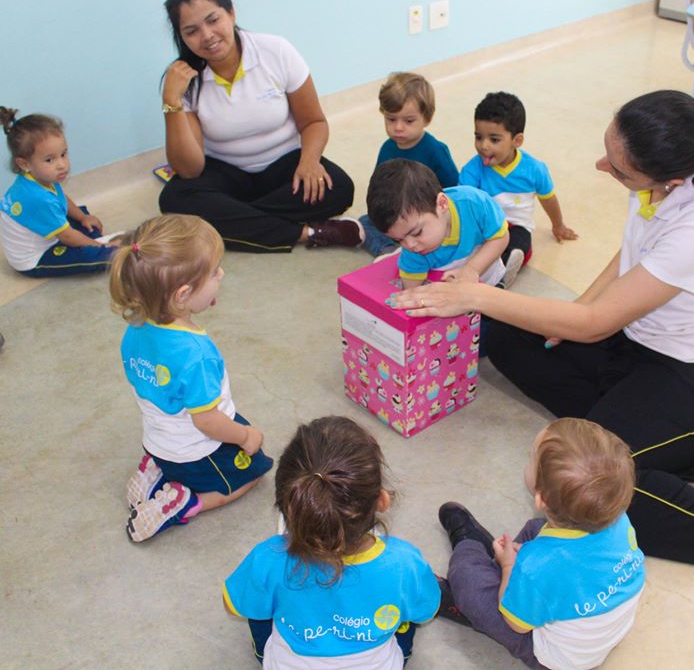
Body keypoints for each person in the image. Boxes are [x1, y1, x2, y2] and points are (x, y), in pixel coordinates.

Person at [386, 91, 694, 635]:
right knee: (510, 332)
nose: (602, 166)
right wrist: (574, 313)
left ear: (670, 178)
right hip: (638, 345)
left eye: (618, 168)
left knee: (590, 486)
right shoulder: (662, 177)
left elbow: (598, 324)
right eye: (608, 151)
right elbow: (630, 259)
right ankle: (612, 416)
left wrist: (484, 297)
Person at [157, 0, 361, 253]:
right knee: (174, 199)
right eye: (192, 30)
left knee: (339, 186)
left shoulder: (275, 51)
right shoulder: (184, 78)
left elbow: (313, 122)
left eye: (213, 19)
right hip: (225, 172)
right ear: (181, 37)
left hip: (286, 165)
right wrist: (171, 102)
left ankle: (230, 222)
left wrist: (310, 160)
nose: (207, 36)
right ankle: (307, 232)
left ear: (231, 12)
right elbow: (190, 169)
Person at [223, 417, 440, 668]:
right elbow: (426, 610)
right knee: (406, 617)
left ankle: (263, 655)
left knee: (256, 601)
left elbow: (232, 606)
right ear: (382, 501)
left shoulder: (269, 557)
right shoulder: (404, 562)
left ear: (288, 508)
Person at [110, 214, 273, 542]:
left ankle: (157, 468)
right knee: (255, 471)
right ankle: (185, 502)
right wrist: (243, 437)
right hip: (197, 451)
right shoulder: (195, 353)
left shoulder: (136, 328)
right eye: (214, 272)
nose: (221, 274)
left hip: (158, 439)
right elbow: (208, 422)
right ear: (182, 295)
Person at [436, 418, 644, 670]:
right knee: (537, 530)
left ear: (541, 499)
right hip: (602, 629)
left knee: (468, 581)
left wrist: (508, 567)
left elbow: (517, 624)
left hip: (556, 659)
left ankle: (468, 552)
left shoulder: (537, 568)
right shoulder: (617, 518)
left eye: (530, 457)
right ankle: (501, 563)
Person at [459, 92, 578, 289]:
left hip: (516, 226)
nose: (483, 146)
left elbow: (548, 199)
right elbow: (465, 207)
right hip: (485, 225)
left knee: (519, 244)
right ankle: (478, 269)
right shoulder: (472, 170)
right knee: (473, 245)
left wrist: (558, 225)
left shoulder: (535, 169)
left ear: (517, 140)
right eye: (478, 137)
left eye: (494, 139)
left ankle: (502, 277)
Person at [0, 108, 121, 277]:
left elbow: (61, 198)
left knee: (80, 212)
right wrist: (98, 246)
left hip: (47, 231)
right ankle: (100, 244)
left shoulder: (36, 177)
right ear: (24, 163)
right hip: (35, 258)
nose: (62, 164)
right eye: (50, 160)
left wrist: (82, 218)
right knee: (96, 256)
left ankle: (91, 236)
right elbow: (67, 237)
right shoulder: (37, 198)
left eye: (63, 154)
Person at [360, 72, 460, 260]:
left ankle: (406, 247)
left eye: (408, 121)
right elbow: (378, 187)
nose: (398, 127)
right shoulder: (387, 148)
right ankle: (389, 251)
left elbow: (455, 189)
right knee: (366, 222)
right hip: (397, 216)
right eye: (391, 119)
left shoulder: (435, 150)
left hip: (423, 218)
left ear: (427, 118)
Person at [366, 159, 508, 289]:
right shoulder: (412, 250)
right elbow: (411, 286)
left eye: (416, 233)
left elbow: (501, 237)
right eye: (398, 240)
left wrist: (472, 269)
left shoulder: (474, 203)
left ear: (442, 204)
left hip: (489, 279)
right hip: (452, 294)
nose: (410, 245)